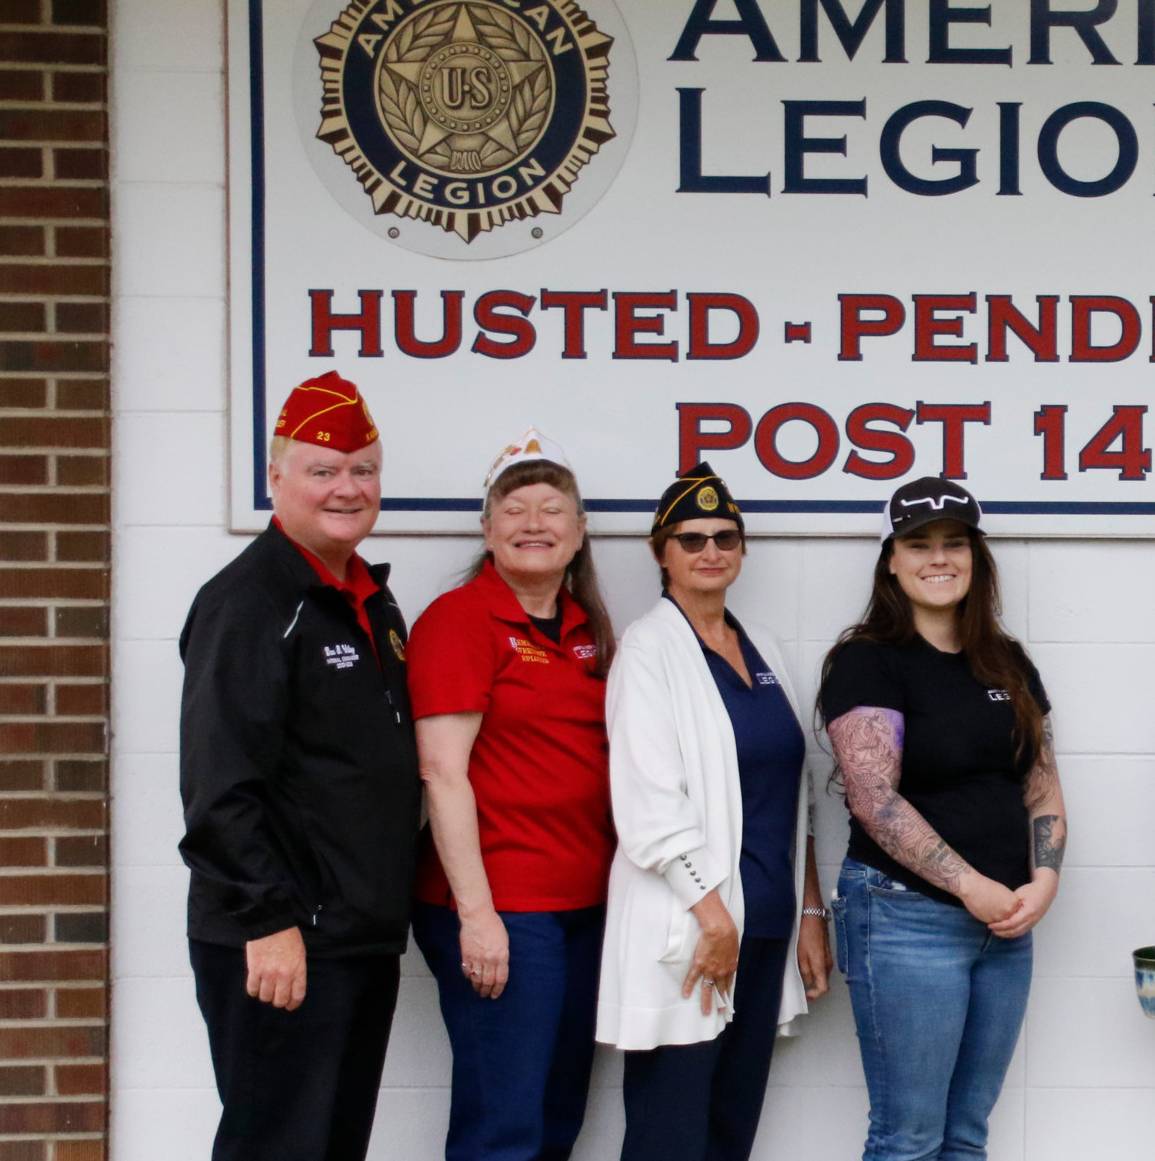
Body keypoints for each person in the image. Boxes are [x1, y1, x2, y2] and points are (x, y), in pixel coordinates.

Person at [178, 371, 421, 1161]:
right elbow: (219, 786)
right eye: (323, 470)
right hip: (284, 941)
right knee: (276, 1146)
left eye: (363, 469)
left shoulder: (371, 602)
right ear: (276, 477)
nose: (347, 488)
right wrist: (268, 922)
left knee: (333, 1146)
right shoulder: (250, 602)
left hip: (355, 936)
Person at [819, 476, 1068, 1161]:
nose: (938, 558)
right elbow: (874, 799)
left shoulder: (1006, 662)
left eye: (953, 543)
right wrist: (969, 885)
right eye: (918, 544)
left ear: (976, 557)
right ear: (891, 561)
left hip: (1006, 926)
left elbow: (1042, 789)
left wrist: (1041, 883)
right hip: (906, 919)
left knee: (965, 1135)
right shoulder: (868, 661)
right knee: (910, 1137)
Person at [598, 463, 831, 1161]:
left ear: (743, 549)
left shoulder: (762, 646)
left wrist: (808, 913)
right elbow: (648, 802)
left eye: (725, 537)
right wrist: (713, 916)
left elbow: (798, 800)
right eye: (691, 537)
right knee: (670, 1133)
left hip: (763, 926)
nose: (710, 551)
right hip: (696, 931)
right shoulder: (648, 650)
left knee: (731, 1129)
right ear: (659, 551)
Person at [407, 430, 618, 1161]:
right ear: (488, 528)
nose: (536, 523)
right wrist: (478, 918)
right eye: (516, 508)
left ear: (581, 530)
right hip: (504, 908)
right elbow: (441, 772)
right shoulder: (460, 620)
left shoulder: (587, 628)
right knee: (505, 1126)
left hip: (582, 906)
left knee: (558, 1113)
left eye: (553, 508)